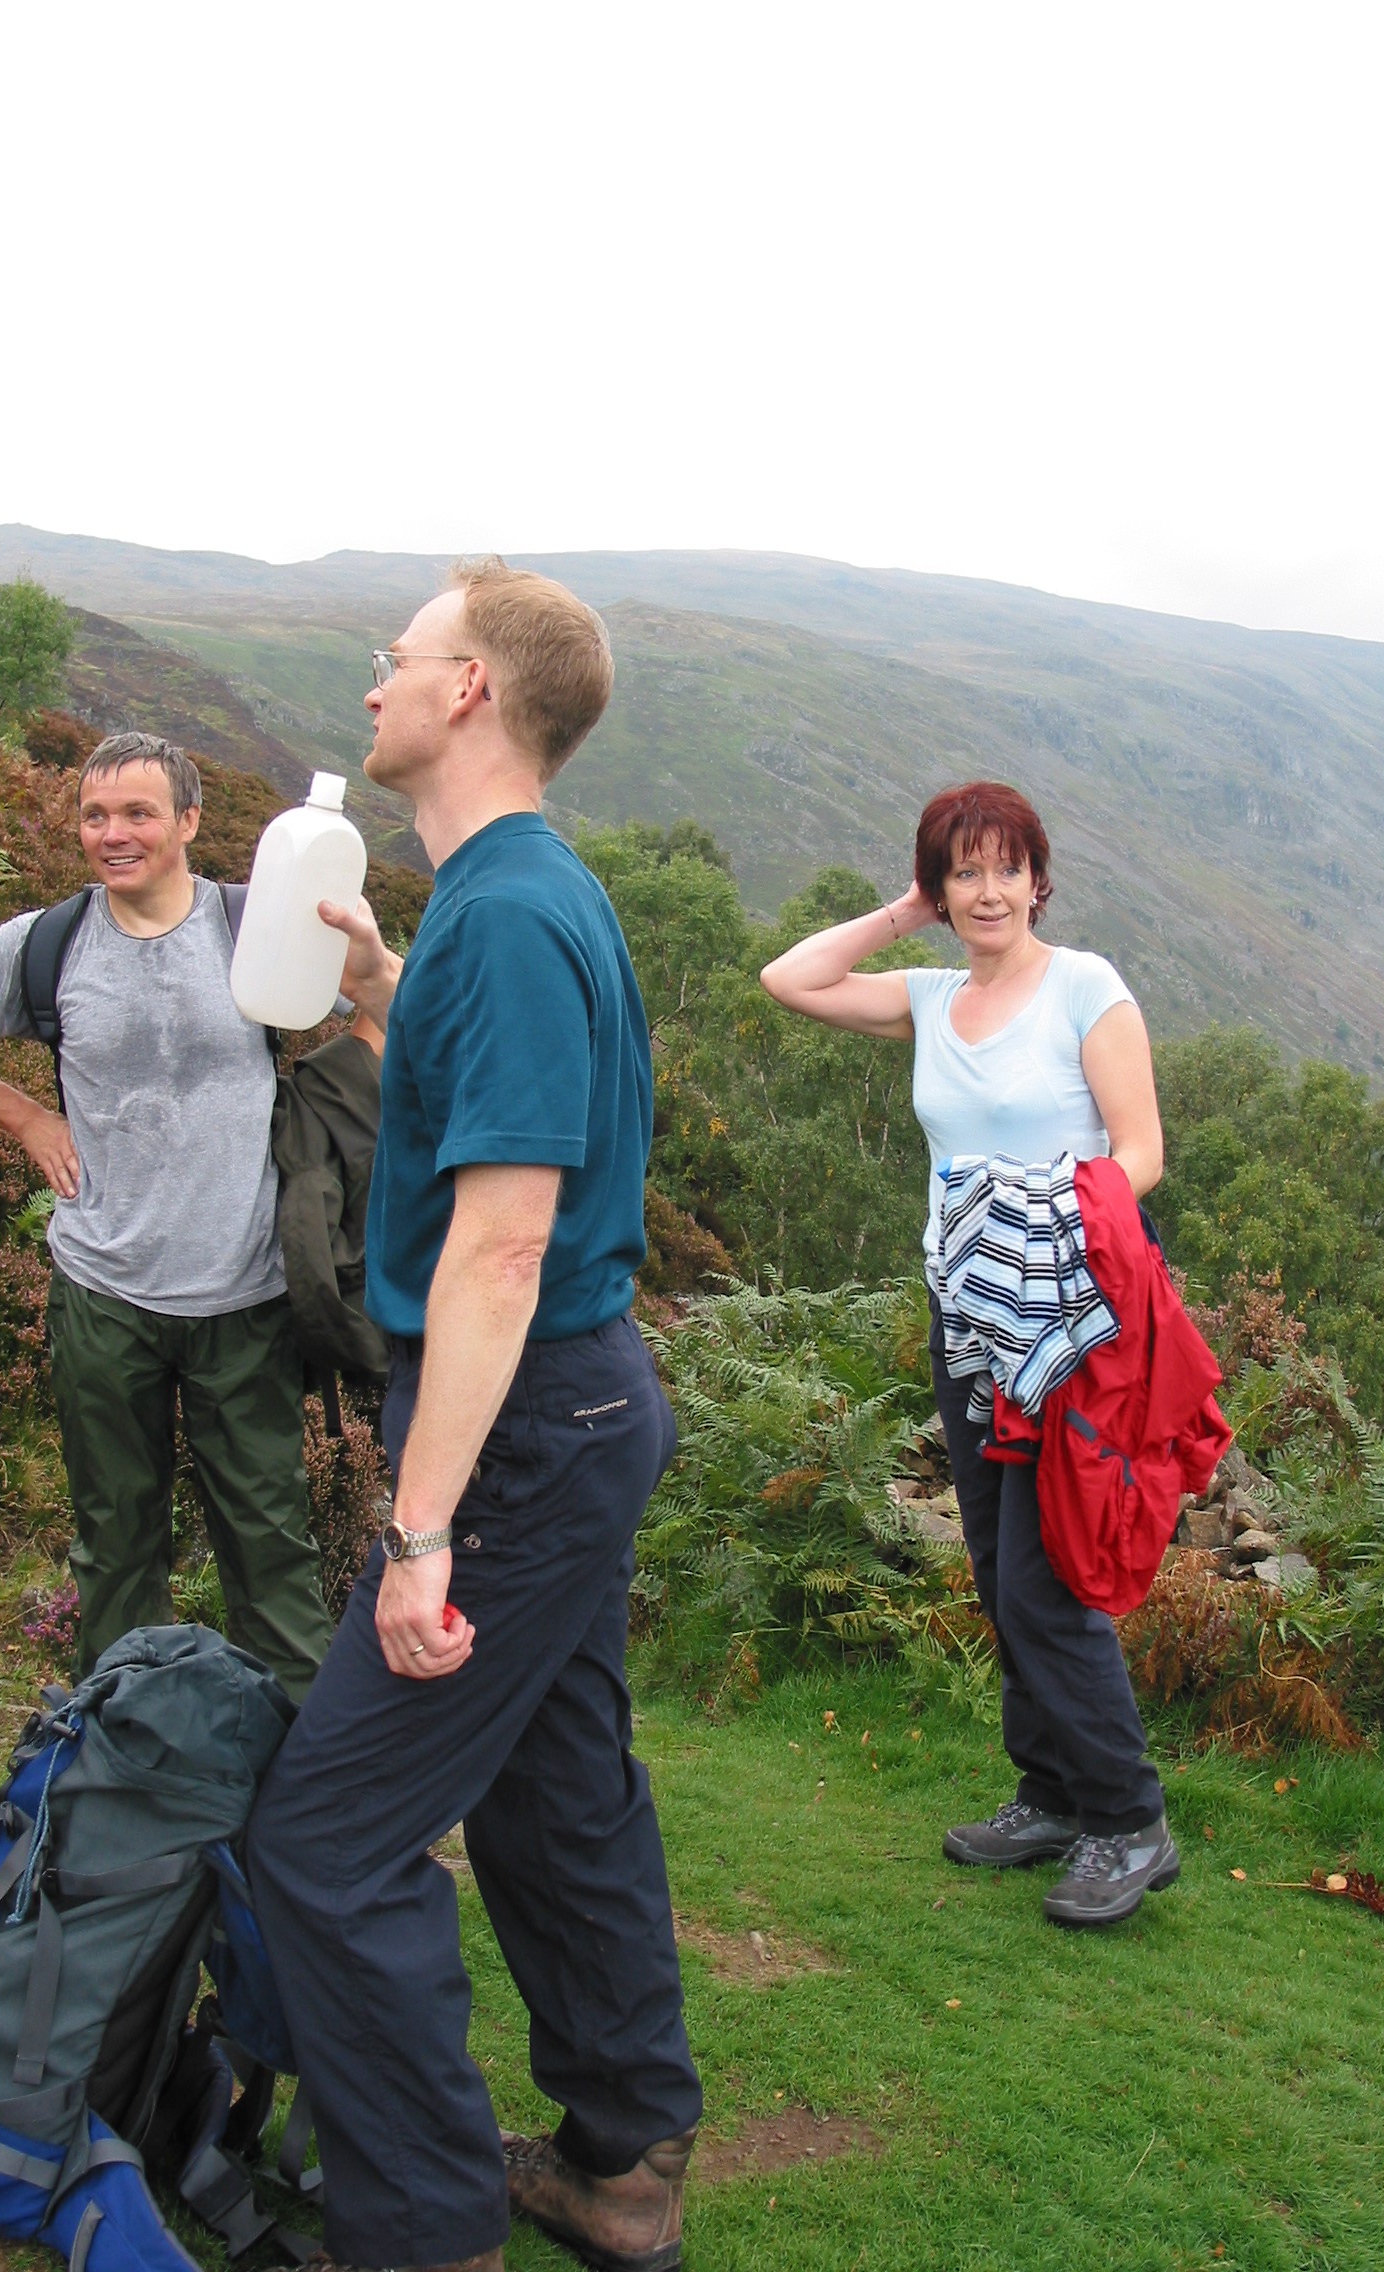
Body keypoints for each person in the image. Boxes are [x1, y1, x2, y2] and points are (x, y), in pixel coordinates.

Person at [247, 559, 702, 2272]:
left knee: (328, 1841)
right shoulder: (508, 893)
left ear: (470, 693)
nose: (375, 684)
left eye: (400, 657)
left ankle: (427, 2229)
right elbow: (478, 1107)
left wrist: (419, 1528)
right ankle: (624, 2158)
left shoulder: (505, 918)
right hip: (576, 1402)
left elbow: (504, 1243)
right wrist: (384, 983)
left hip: (519, 1426)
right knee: (553, 1790)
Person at [761, 778, 1180, 1929]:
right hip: (969, 1320)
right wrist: (902, 911)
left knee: (1050, 1579)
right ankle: (1051, 1792)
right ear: (941, 887)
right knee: (1000, 1571)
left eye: (1007, 867)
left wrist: (1040, 1218)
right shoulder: (932, 997)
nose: (988, 890)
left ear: (1039, 879)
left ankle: (1129, 1818)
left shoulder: (1086, 988)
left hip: (1069, 1319)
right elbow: (789, 978)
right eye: (964, 870)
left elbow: (1140, 1151)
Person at [0, 735, 333, 1700]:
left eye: (138, 814)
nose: (113, 835)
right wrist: (26, 1117)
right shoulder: (48, 944)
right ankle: (122, 1751)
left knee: (271, 1558)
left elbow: (386, 998)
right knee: (116, 1553)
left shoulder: (255, 927)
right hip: (103, 1297)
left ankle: (304, 1774)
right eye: (94, 816)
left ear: (189, 822)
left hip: (245, 1300)